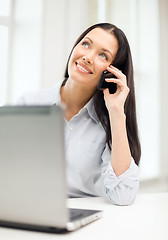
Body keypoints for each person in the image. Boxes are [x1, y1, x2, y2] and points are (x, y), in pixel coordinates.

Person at [18, 23, 141, 205]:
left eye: (102, 55)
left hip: (80, 219)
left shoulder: (107, 125)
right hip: (25, 208)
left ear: (112, 72)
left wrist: (116, 112)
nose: (87, 57)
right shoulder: (28, 103)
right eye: (86, 44)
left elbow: (123, 196)